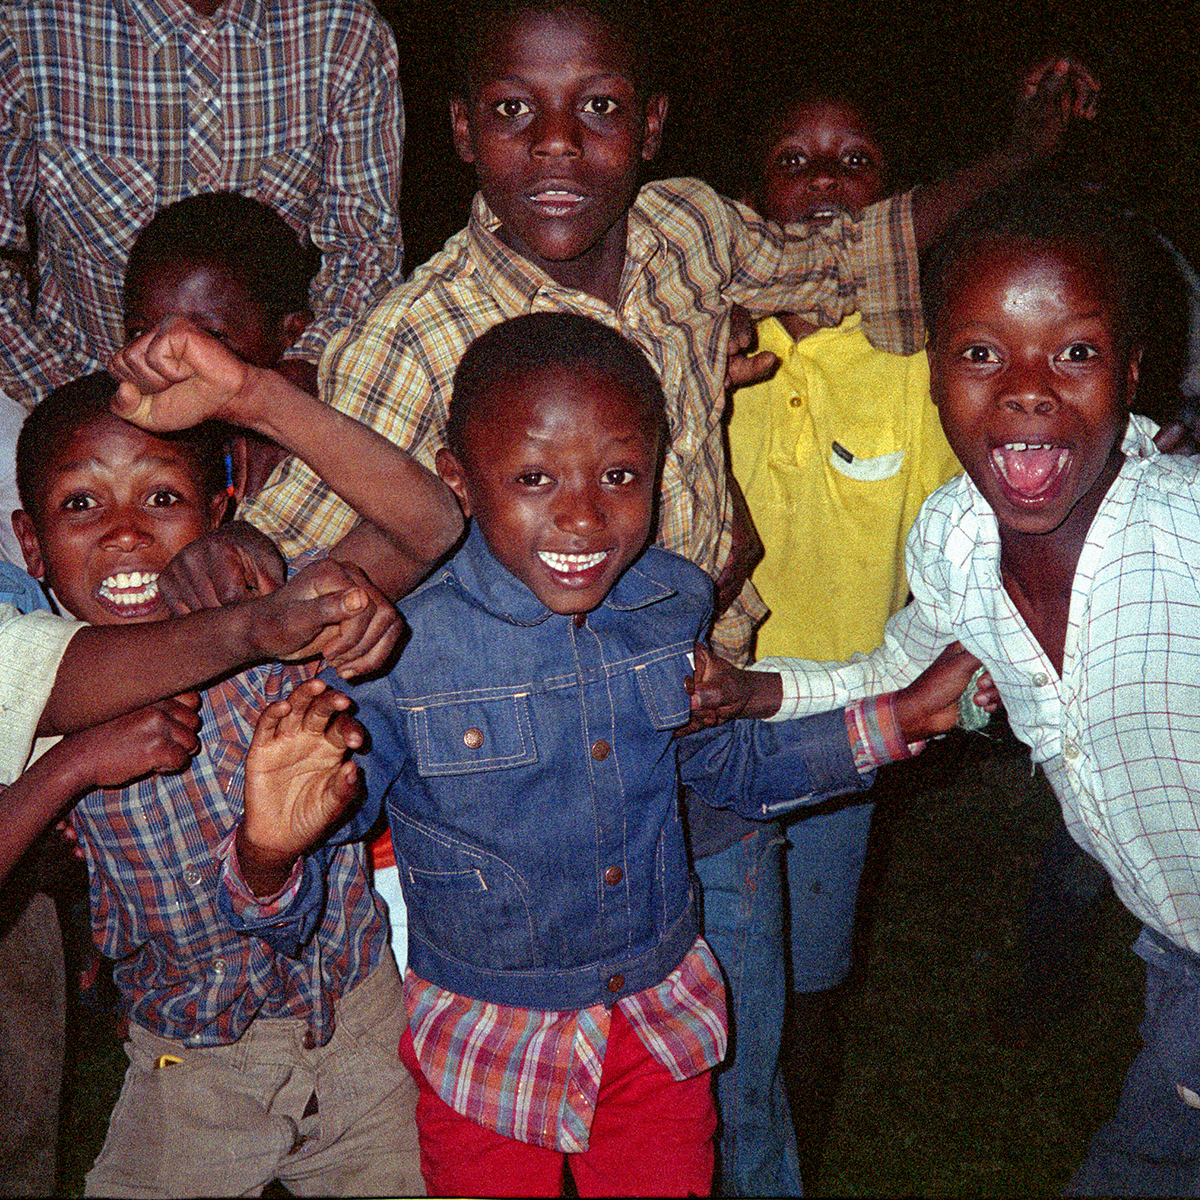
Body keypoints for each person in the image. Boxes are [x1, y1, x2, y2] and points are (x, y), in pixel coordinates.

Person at [151, 4, 1094, 1190]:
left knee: (724, 1094)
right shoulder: (414, 334)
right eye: (513, 113)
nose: (557, 146)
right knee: (522, 1132)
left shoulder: (690, 232)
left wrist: (1024, 156)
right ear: (460, 128)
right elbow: (297, 555)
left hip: (692, 722)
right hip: (511, 799)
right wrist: (224, 554)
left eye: (597, 107)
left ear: (650, 124)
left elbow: (852, 255)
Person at [112, 308, 992, 1196]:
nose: (582, 514)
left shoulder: (668, 604)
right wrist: (270, 846)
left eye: (620, 475)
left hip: (655, 1027)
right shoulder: (404, 640)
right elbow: (332, 828)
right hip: (485, 1047)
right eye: (534, 477)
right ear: (459, 480)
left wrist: (899, 720)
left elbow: (725, 771)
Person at [689, 180, 1200, 1196]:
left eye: (1076, 351)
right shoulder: (956, 539)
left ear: (1135, 374)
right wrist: (758, 692)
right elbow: (898, 665)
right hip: (1175, 946)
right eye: (979, 352)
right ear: (932, 379)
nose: (1026, 385)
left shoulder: (1185, 538)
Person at [9, 374, 428, 1197]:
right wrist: (71, 766)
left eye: (161, 496)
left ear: (218, 511)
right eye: (81, 506)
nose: (125, 532)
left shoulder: (272, 623)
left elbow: (426, 526)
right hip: (189, 1061)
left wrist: (250, 395)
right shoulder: (34, 692)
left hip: (359, 1026)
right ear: (30, 545)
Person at [724, 81, 962, 1187]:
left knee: (809, 981)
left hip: (842, 721)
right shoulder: (706, 345)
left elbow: (959, 558)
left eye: (853, 160)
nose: (822, 182)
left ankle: (795, 1161)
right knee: (711, 979)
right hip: (698, 712)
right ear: (748, 197)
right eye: (794, 159)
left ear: (892, 201)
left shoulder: (921, 367)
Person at [121, 189, 414, 982]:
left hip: (354, 781)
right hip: (205, 811)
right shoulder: (133, 456)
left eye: (207, 336)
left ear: (289, 339)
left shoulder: (329, 433)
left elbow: (416, 532)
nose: (168, 358)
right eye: (143, 333)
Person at [0, 0, 405, 562]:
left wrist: (279, 404)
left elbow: (363, 253)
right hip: (65, 384)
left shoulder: (342, 30)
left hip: (275, 394)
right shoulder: (27, 28)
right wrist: (84, 412)